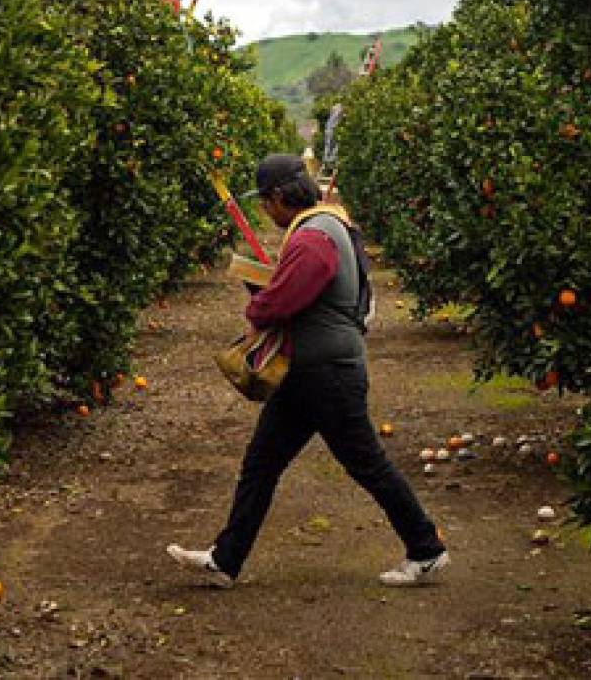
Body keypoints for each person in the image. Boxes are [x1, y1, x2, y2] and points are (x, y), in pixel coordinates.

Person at [167, 155, 449, 588]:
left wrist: (258, 302)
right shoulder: (330, 225)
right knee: (261, 463)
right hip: (308, 371)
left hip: (327, 374)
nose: (266, 213)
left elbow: (283, 302)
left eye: (265, 204)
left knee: (366, 463)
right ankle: (226, 560)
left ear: (280, 197)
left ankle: (426, 548)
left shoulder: (314, 237)